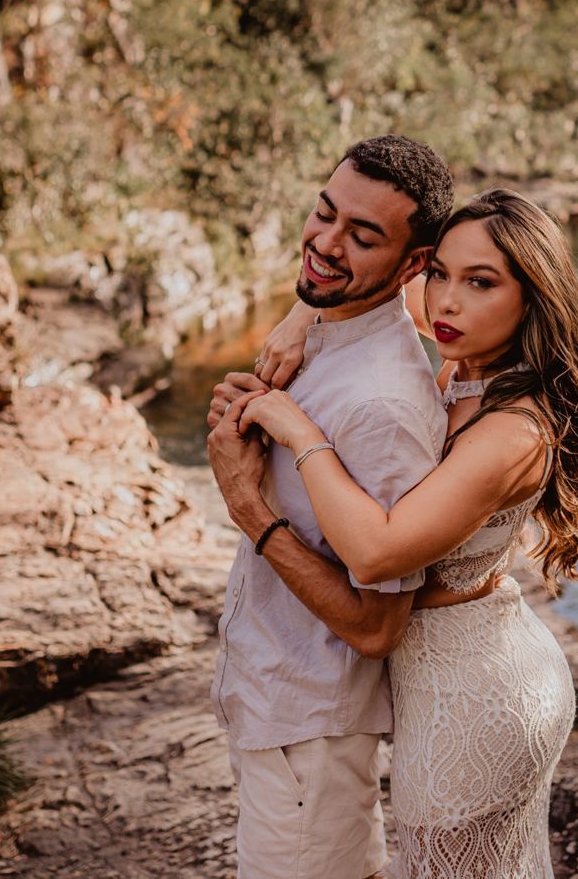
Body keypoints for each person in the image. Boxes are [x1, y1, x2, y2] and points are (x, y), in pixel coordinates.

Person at [211, 187, 578, 879]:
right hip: (456, 671)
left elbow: (377, 548)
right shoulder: (464, 358)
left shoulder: (512, 431)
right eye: (440, 272)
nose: (446, 302)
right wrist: (297, 319)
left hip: (471, 697)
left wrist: (297, 429)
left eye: (481, 282)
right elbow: (363, 284)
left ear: (533, 296)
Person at [204, 134, 454, 879]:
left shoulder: (384, 409)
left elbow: (378, 624)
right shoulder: (327, 328)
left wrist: (249, 508)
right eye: (324, 214)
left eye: (362, 235)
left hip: (310, 738)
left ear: (414, 265)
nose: (325, 243)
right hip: (276, 715)